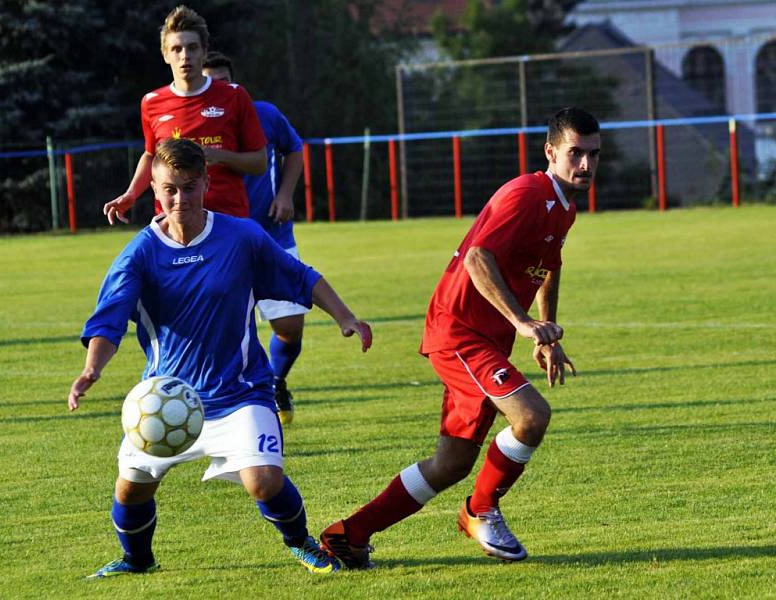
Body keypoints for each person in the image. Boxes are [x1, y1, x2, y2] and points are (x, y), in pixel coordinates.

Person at [68, 138, 372, 578]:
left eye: (190, 187)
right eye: (171, 188)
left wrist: (345, 316)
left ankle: (300, 542)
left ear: (207, 183)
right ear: (155, 188)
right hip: (166, 400)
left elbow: (301, 277)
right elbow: (109, 320)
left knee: (263, 481)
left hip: (241, 393)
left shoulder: (241, 237)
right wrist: (91, 369)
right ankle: (137, 561)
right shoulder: (140, 253)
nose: (180, 198)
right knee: (131, 490)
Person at [320, 107, 601, 568]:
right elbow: (477, 258)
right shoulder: (527, 194)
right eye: (576, 153)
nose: (586, 165)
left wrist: (546, 334)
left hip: (482, 338)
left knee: (451, 463)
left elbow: (549, 266)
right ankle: (479, 510)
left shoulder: (564, 206)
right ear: (551, 151)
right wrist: (522, 322)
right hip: (460, 331)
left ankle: (347, 534)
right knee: (531, 416)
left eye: (593, 154)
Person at [202, 51, 306, 425]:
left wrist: (285, 194)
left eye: (225, 82)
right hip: (221, 243)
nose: (220, 89)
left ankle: (277, 379)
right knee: (227, 330)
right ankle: (237, 404)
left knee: (291, 327)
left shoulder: (263, 114)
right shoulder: (195, 125)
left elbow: (294, 149)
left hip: (272, 233)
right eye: (210, 82)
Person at [103, 5, 267, 225]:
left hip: (228, 221)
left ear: (204, 51)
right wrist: (132, 193)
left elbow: (260, 162)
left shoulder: (234, 95)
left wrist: (221, 156)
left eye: (192, 48)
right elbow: (151, 155)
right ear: (165, 55)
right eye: (176, 49)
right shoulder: (152, 102)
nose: (185, 56)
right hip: (173, 225)